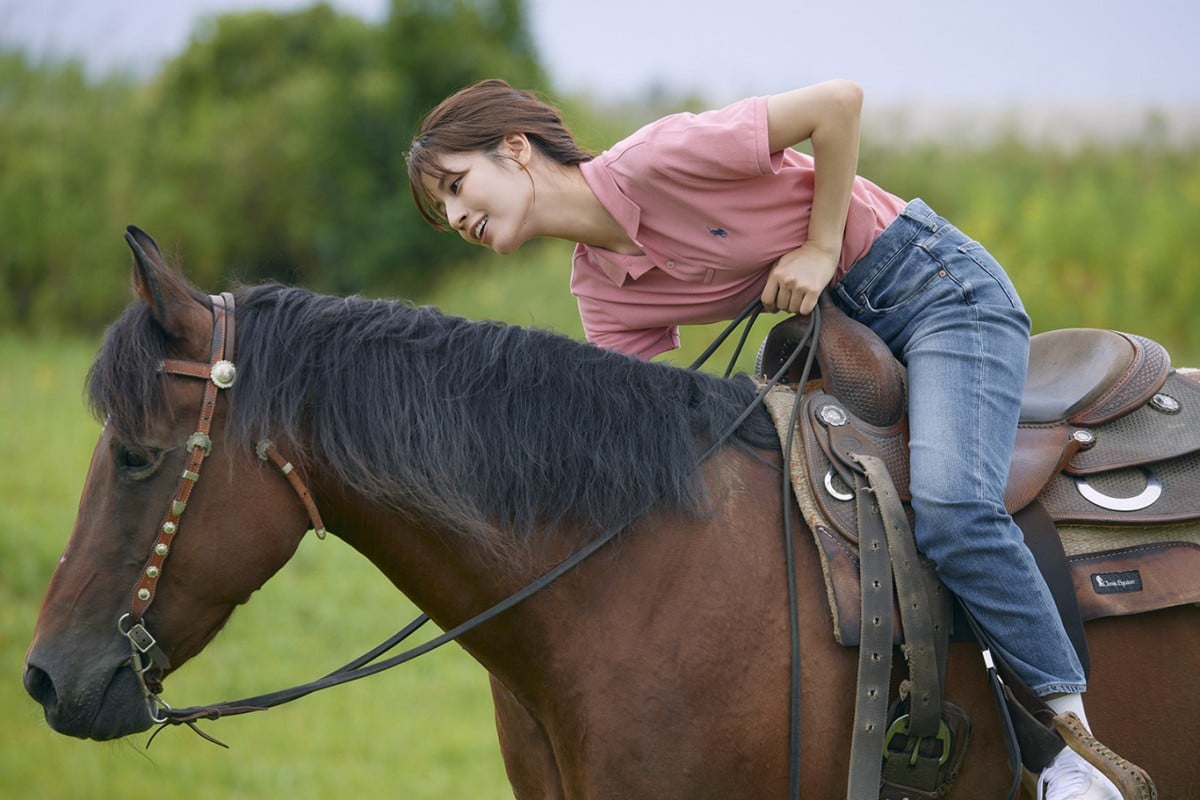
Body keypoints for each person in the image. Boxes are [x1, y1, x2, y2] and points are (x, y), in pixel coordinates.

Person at [406, 78, 1151, 800]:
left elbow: (837, 104)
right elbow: (625, 424)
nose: (455, 215)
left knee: (955, 509)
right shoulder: (598, 287)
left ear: (515, 147)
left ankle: (1079, 759)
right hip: (843, 328)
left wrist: (821, 247)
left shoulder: (658, 157)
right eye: (441, 210)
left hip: (934, 290)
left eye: (456, 185)